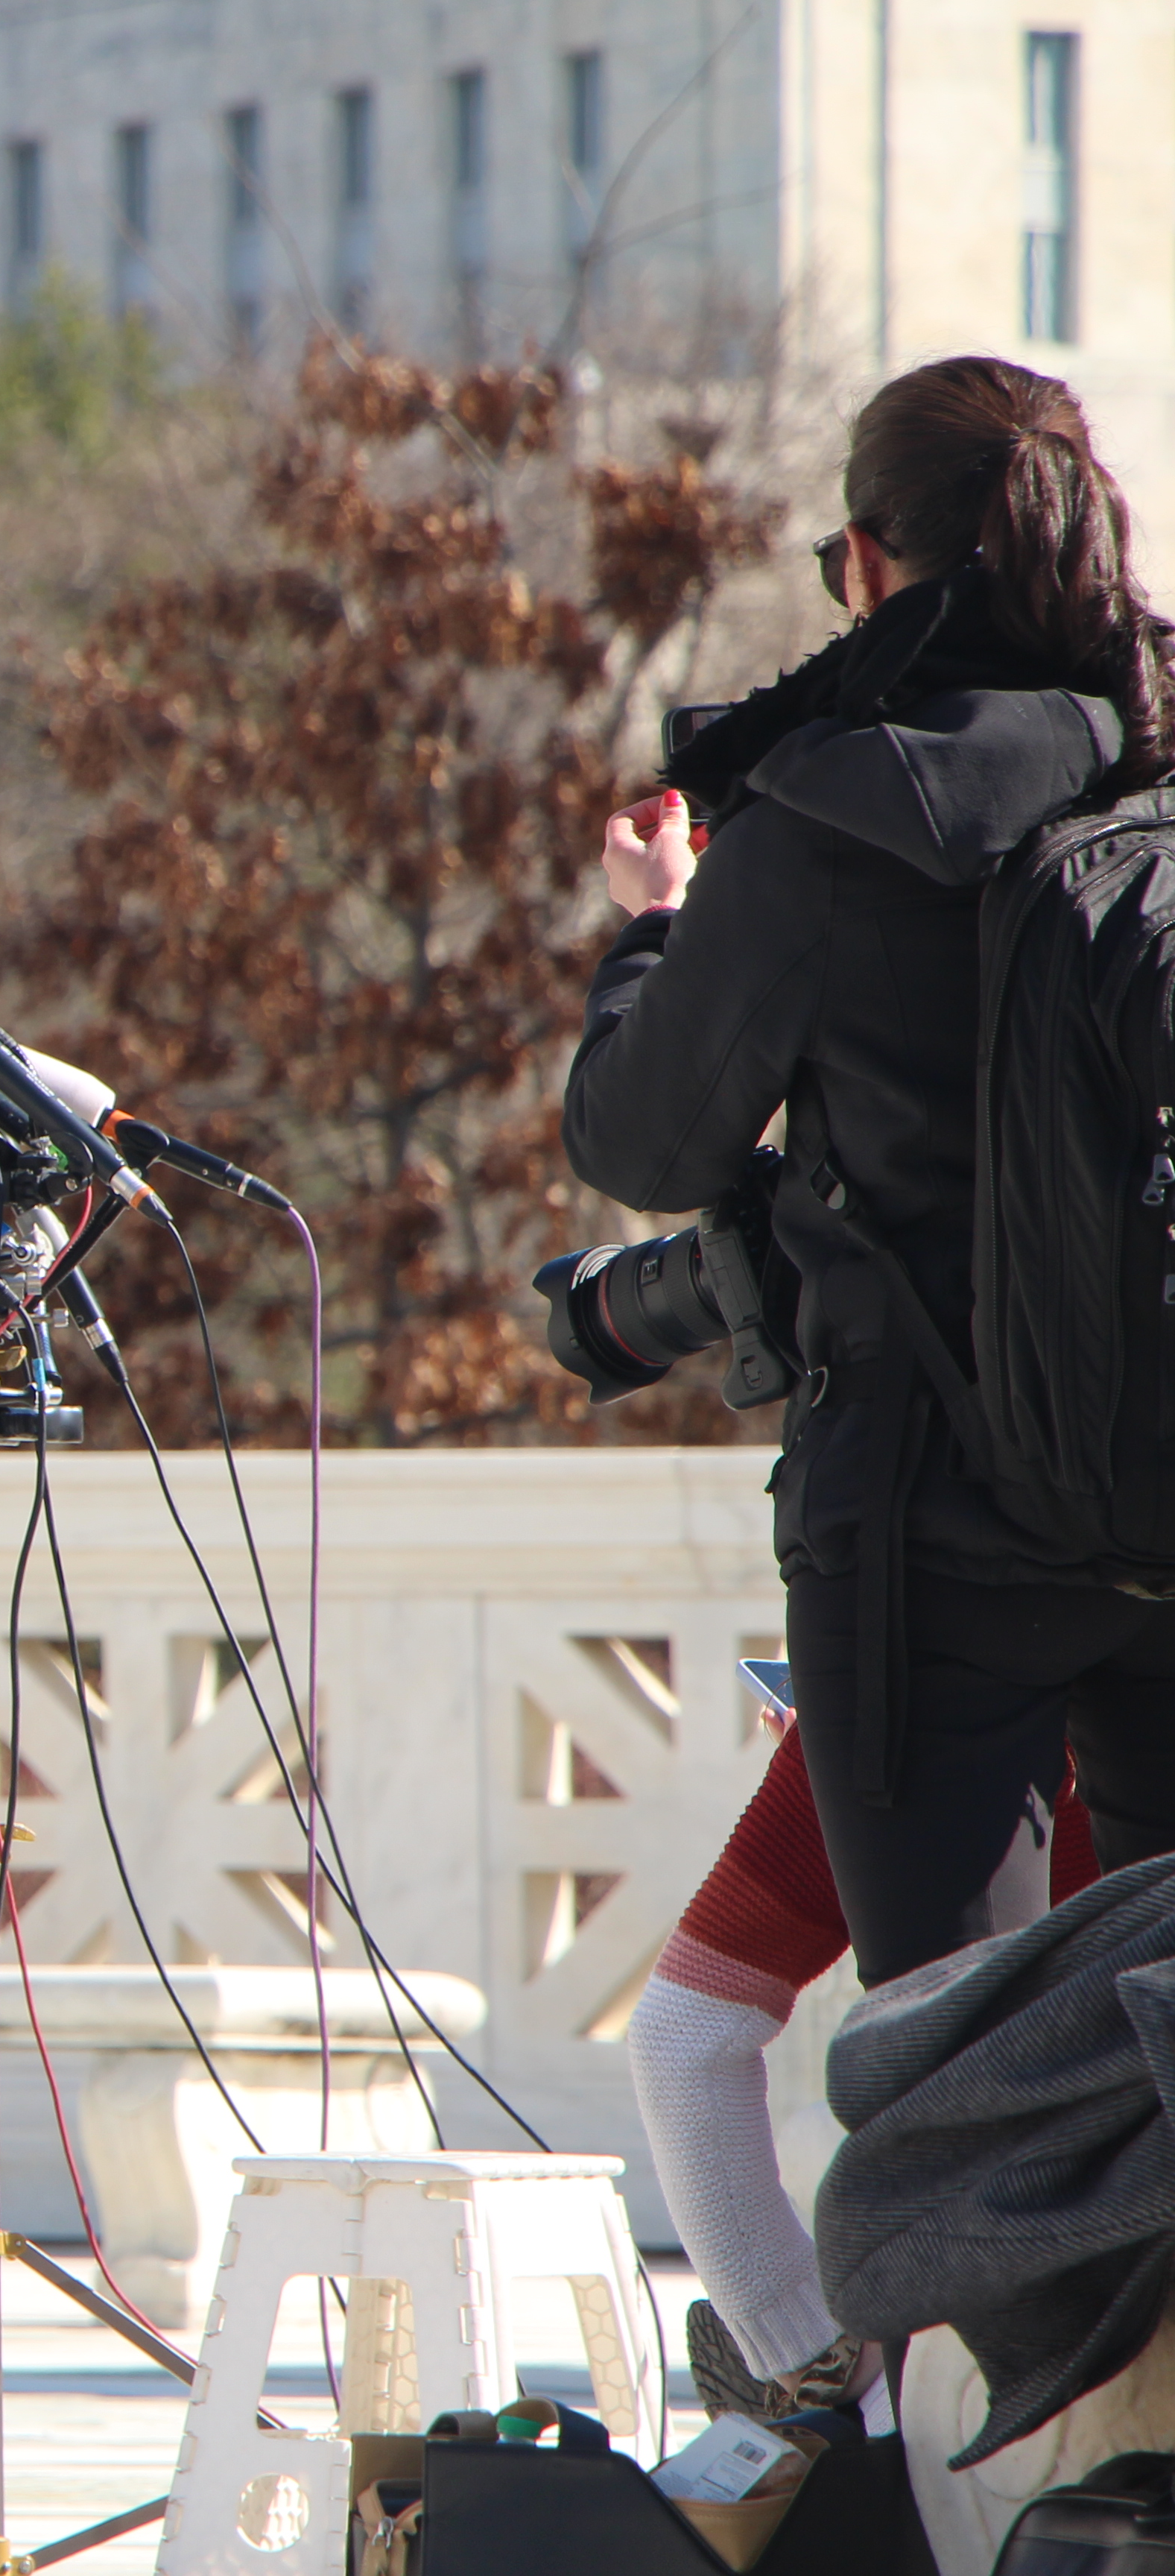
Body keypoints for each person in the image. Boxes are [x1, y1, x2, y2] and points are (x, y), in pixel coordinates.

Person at [564, 353, 1175, 1985]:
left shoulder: (836, 817)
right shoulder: (1162, 763)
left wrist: (655, 931)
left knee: (958, 2074)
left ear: (866, 562)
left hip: (930, 1528)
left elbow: (646, 1138)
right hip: (1167, 1470)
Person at [629, 1718, 1092, 2428]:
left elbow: (686, 2039)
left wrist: (814, 2354)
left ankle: (849, 2390)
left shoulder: (889, 1714)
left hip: (1006, 2366)